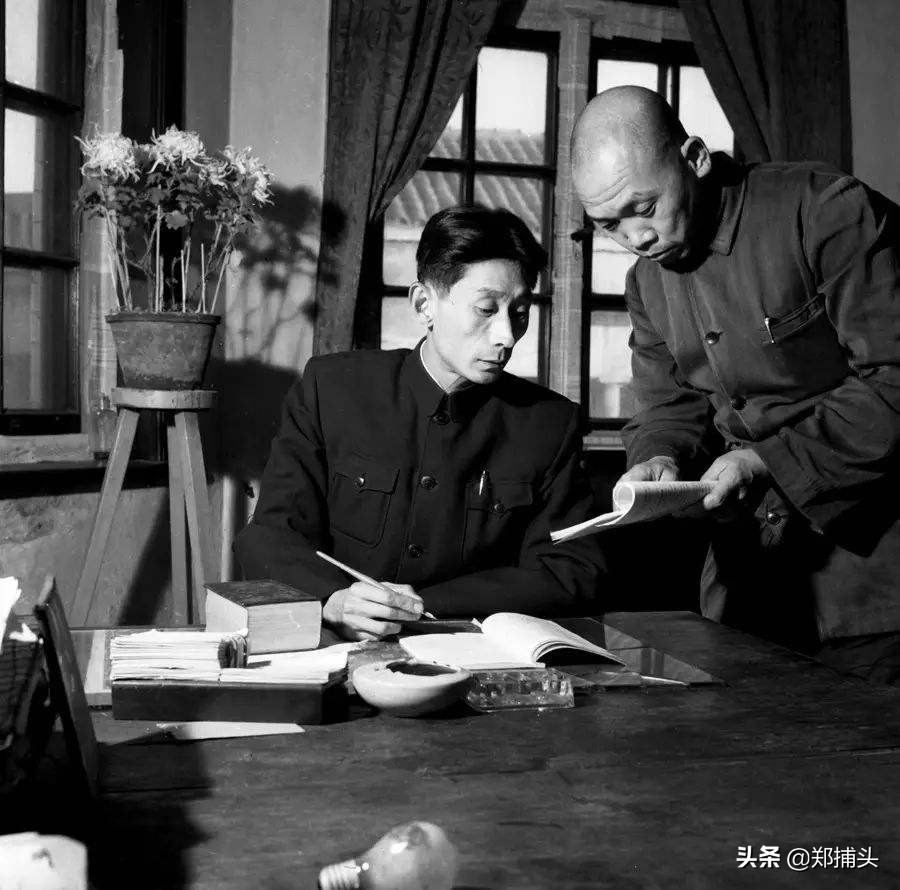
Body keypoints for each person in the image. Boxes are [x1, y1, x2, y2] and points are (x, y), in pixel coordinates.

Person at [570, 85, 900, 684]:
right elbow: (668, 406)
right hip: (747, 590)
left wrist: (765, 461)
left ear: (695, 157)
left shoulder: (825, 210)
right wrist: (658, 458)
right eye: (608, 224)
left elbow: (894, 380)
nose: (635, 238)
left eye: (644, 207)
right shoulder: (646, 283)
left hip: (874, 586)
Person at [234, 205, 604, 641]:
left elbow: (572, 571)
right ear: (424, 303)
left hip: (472, 650)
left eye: (520, 312)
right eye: (486, 309)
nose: (507, 336)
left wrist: (424, 606)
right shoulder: (332, 389)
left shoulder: (548, 424)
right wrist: (333, 599)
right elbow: (270, 534)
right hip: (340, 647)